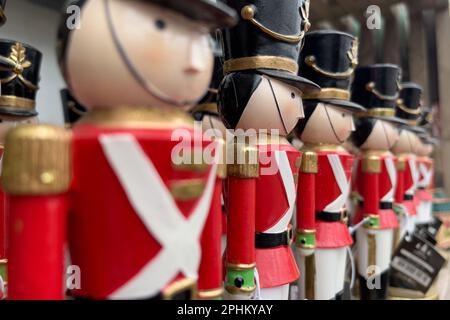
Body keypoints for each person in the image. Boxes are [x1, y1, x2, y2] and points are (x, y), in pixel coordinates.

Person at [2, 0, 237, 300]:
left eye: (201, 38)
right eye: (160, 26)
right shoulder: (59, 146)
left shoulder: (204, 145)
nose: (194, 62)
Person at [219, 0, 319, 300]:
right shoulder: (242, 152)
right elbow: (239, 213)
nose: (301, 113)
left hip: (280, 255)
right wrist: (239, 267)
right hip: (251, 264)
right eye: (291, 93)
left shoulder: (283, 150)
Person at [294, 30, 364, 300]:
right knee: (319, 289)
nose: (351, 125)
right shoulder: (306, 155)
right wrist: (305, 234)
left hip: (338, 230)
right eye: (341, 113)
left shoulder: (341, 155)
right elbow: (304, 198)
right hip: (317, 234)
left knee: (337, 287)